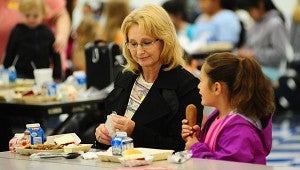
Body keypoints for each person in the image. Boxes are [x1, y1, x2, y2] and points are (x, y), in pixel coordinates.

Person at [94, 4, 203, 152]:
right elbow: (111, 127)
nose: (139, 51)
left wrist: (135, 131)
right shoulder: (125, 77)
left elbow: (183, 147)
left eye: (146, 43)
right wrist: (103, 136)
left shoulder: (186, 85)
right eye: (133, 44)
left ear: (165, 40)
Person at [181, 52, 275, 164]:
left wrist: (195, 147)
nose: (198, 86)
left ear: (217, 88)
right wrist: (198, 138)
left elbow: (224, 166)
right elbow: (216, 150)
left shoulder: (239, 130)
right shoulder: (218, 117)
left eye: (201, 81)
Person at [0, 0, 70, 76]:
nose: (31, 19)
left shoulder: (47, 33)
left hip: (42, 74)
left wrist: (57, 74)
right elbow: (10, 51)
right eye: (27, 15)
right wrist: (5, 69)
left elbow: (55, 53)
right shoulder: (17, 31)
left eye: (35, 16)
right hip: (19, 74)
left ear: (43, 14)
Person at [237, 0, 290, 83]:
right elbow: (248, 46)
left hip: (271, 73)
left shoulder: (275, 23)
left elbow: (280, 53)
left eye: (250, 10)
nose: (249, 15)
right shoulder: (253, 25)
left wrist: (253, 54)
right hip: (253, 70)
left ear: (260, 4)